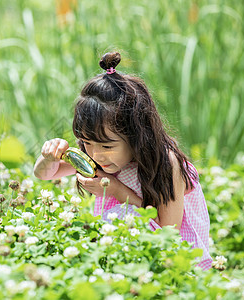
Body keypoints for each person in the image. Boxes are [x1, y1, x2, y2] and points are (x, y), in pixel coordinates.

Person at [33, 51, 212, 270]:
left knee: (122, 216)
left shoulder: (166, 163)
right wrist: (48, 157)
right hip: (126, 253)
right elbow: (44, 174)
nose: (96, 154)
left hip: (172, 261)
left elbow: (168, 231)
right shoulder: (94, 150)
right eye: (87, 142)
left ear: (137, 135)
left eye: (107, 146)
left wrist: (116, 190)